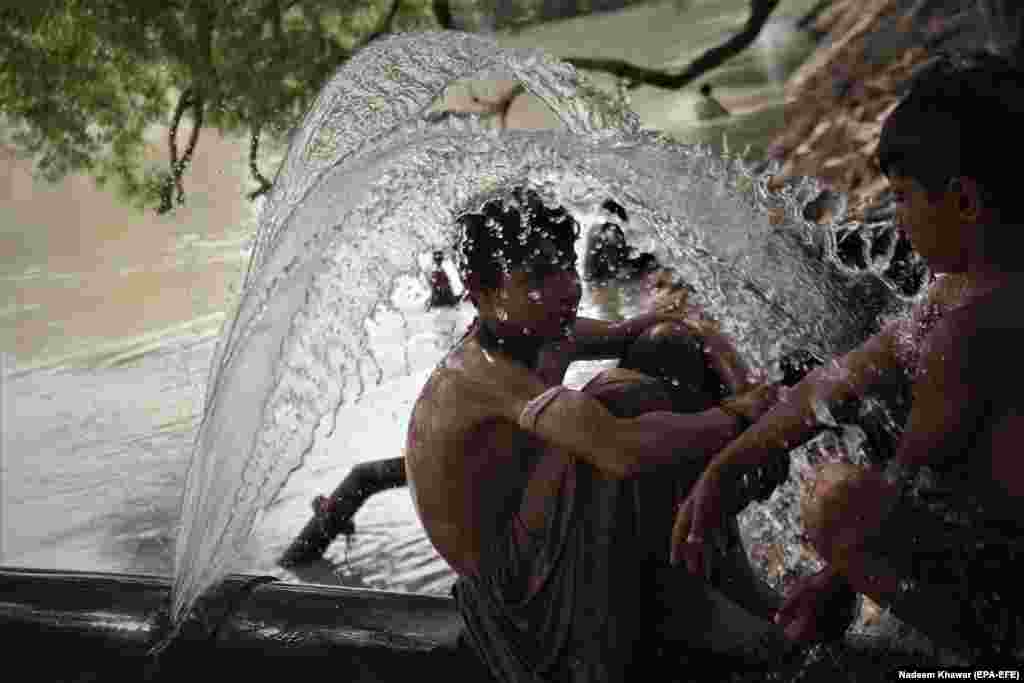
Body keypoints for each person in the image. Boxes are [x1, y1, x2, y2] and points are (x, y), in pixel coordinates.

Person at [671, 52, 1024, 660]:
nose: (901, 220)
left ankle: (981, 666)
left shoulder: (970, 328)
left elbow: (913, 484)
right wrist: (728, 463)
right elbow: (843, 377)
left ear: (965, 201)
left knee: (837, 499)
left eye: (906, 197)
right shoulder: (970, 284)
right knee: (863, 405)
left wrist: (832, 579)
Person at [405, 188, 797, 682]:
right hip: (517, 592)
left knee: (666, 348)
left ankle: (710, 568)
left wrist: (746, 394)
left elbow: (676, 326)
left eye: (567, 266)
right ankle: (670, 599)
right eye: (538, 277)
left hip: (553, 532)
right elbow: (621, 451)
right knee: (618, 403)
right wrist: (737, 417)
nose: (567, 287)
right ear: (482, 296)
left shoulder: (545, 333)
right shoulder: (481, 373)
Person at [582, 200, 659, 282]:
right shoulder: (610, 231)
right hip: (605, 278)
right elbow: (616, 267)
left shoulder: (596, 229)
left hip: (597, 277)